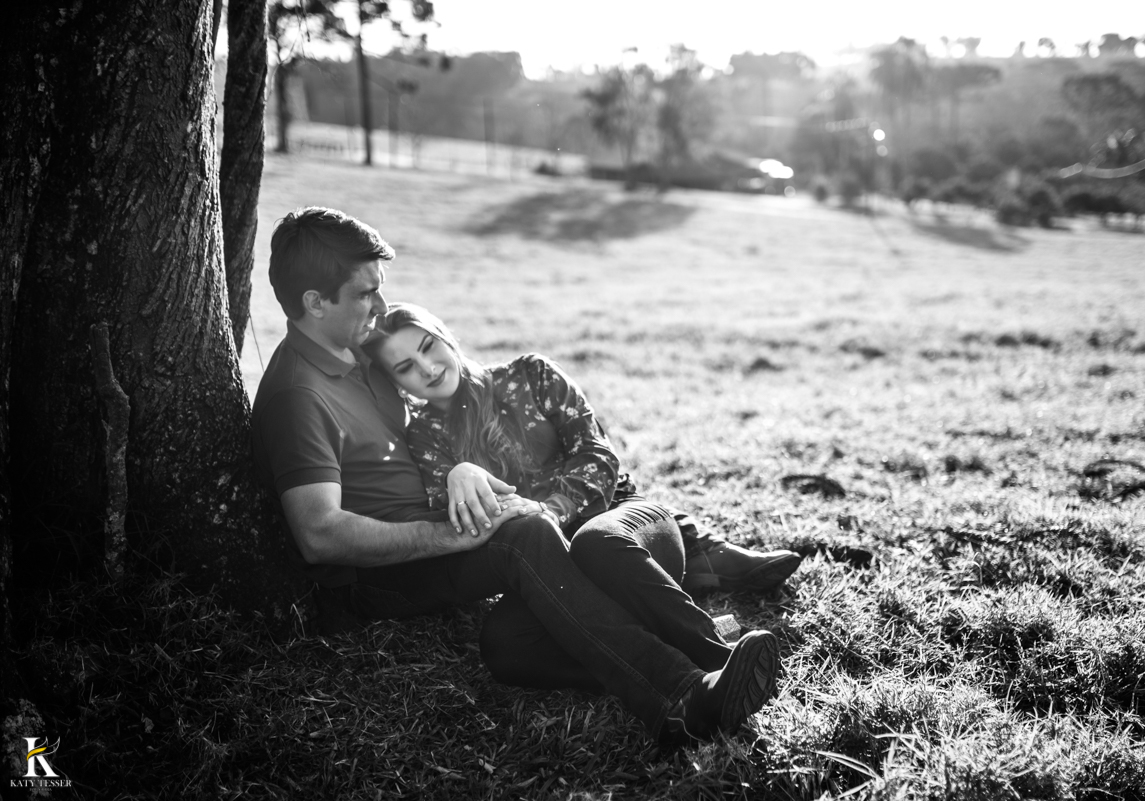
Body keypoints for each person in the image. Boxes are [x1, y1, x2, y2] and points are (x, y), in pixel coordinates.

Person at [250, 207, 780, 743]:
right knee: (518, 579)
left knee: (535, 588)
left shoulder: (362, 354)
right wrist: (448, 530)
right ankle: (685, 690)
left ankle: (702, 673)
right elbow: (319, 535)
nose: (381, 306)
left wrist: (470, 488)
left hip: (516, 526)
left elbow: (594, 454)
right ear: (315, 303)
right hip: (391, 570)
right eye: (366, 293)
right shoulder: (298, 394)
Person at [361, 302, 755, 693]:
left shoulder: (531, 373)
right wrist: (459, 473)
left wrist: (550, 510)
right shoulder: (424, 437)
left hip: (623, 528)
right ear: (396, 383)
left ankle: (718, 657)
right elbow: (465, 522)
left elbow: (597, 455)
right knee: (506, 647)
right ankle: (671, 649)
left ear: (446, 337)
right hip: (554, 569)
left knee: (597, 542)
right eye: (406, 367)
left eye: (428, 347)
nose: (427, 368)